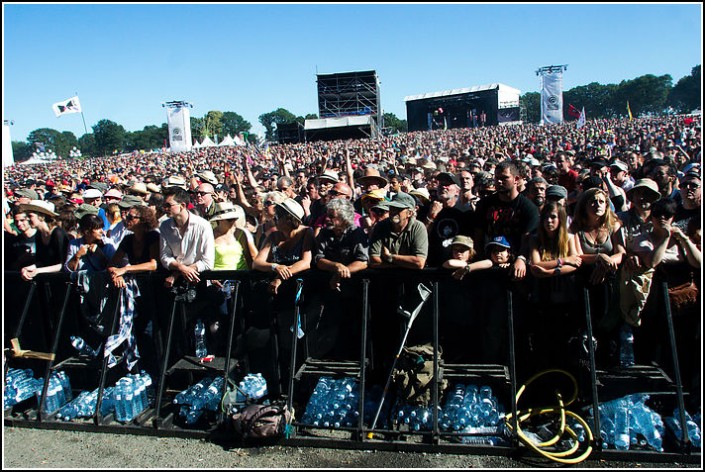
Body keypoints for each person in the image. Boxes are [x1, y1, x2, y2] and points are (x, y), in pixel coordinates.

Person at [633, 198, 701, 406]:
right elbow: (651, 260)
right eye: (658, 216)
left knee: (684, 347)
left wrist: (684, 240)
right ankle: (656, 391)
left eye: (667, 216)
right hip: (655, 301)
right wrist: (664, 237)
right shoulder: (644, 237)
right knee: (657, 346)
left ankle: (685, 389)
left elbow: (698, 262)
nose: (662, 219)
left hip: (683, 302)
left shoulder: (682, 239)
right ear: (651, 217)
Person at [250, 198, 313, 395]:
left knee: (296, 343)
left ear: (289, 219)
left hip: (298, 296)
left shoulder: (306, 233)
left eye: (278, 216)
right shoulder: (274, 236)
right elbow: (257, 263)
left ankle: (299, 388)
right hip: (276, 300)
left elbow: (305, 262)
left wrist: (281, 278)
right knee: (278, 342)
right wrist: (276, 267)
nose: (274, 219)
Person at [570, 187, 624, 367]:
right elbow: (577, 255)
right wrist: (599, 257)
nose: (597, 205)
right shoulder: (576, 227)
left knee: (608, 324)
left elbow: (621, 252)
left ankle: (607, 364)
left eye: (601, 201)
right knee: (586, 325)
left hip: (608, 278)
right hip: (585, 280)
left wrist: (606, 263)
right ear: (584, 205)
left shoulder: (614, 225)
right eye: (593, 201)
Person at [310, 198, 369, 359]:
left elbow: (363, 261)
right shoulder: (324, 233)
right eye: (327, 215)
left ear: (344, 218)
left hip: (353, 292)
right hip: (328, 292)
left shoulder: (355, 233)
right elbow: (318, 260)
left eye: (332, 216)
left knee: (352, 330)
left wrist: (341, 273)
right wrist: (336, 266)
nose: (327, 219)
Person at [18, 200, 70, 281]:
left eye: (30, 216)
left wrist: (38, 271)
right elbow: (41, 261)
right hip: (46, 279)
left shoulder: (58, 233)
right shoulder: (39, 233)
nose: (27, 219)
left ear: (41, 216)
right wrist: (28, 268)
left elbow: (63, 264)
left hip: (60, 280)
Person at [5, 206, 37, 271]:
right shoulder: (13, 242)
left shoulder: (41, 237)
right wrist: (21, 260)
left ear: (29, 219)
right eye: (16, 221)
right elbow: (10, 267)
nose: (19, 224)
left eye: (22, 220)